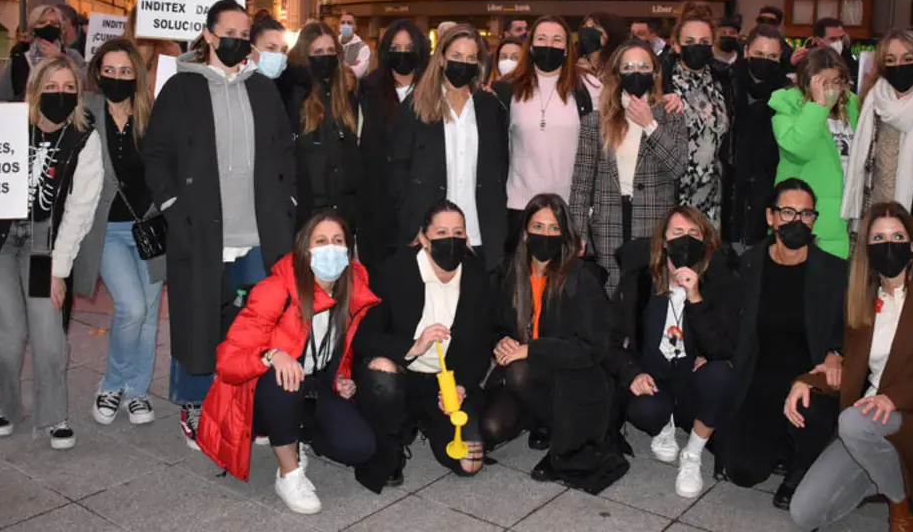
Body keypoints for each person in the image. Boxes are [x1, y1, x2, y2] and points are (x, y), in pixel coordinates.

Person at [142, 0, 297, 450]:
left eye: (243, 34)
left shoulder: (262, 88)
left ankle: (251, 404)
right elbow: (157, 155)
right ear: (209, 35)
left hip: (257, 234)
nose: (236, 41)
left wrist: (286, 200)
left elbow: (285, 149)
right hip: (202, 230)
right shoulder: (181, 89)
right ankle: (193, 404)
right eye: (228, 32)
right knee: (197, 319)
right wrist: (173, 204)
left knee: (256, 324)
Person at [788, 201, 913, 532]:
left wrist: (895, 398)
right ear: (867, 248)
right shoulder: (864, 296)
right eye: (878, 239)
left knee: (853, 423)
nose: (888, 245)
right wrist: (807, 381)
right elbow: (852, 366)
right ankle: (887, 472)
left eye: (897, 236)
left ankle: (901, 505)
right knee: (804, 513)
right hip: (871, 418)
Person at [0, 54, 103, 450]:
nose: (60, 95)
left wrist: (59, 269)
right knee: (4, 334)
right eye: (51, 88)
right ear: (34, 90)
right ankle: (5, 402)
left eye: (69, 88)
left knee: (48, 330)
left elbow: (81, 209)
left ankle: (53, 414)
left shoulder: (85, 136)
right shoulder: (3, 124)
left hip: (41, 243)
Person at [196, 210, 379, 515]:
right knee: (286, 378)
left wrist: (341, 376)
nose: (330, 249)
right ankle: (288, 473)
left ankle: (297, 436)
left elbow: (339, 348)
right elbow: (227, 362)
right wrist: (271, 355)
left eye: (338, 241)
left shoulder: (353, 287)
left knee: (360, 447)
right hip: (265, 392)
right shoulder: (276, 289)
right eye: (321, 241)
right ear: (305, 248)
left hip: (316, 385)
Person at [480, 193, 627, 493]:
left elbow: (591, 347)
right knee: (491, 428)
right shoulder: (508, 274)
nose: (544, 235)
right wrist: (501, 342)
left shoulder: (581, 279)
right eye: (538, 227)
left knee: (518, 372)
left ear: (564, 235)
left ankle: (559, 429)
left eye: (553, 229)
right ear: (524, 234)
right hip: (528, 374)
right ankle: (540, 418)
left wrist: (531, 349)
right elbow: (493, 325)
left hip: (575, 376)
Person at [716, 179, 846, 509]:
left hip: (808, 378)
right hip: (760, 376)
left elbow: (853, 327)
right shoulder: (747, 266)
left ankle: (800, 467)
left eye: (805, 214)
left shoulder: (835, 272)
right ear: (771, 217)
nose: (796, 222)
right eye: (787, 212)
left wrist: (836, 354)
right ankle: (781, 443)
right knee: (742, 472)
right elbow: (728, 324)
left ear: (814, 220)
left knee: (811, 415)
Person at [352, 201, 490, 490]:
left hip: (444, 383)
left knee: (470, 463)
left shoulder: (476, 274)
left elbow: (480, 344)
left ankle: (426, 421)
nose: (450, 240)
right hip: (402, 374)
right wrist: (414, 346)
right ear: (424, 239)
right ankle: (391, 442)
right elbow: (364, 338)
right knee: (381, 373)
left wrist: (462, 385)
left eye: (458, 232)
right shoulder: (395, 270)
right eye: (441, 232)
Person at [608, 205, 739, 499]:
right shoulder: (639, 283)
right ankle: (665, 425)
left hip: (694, 382)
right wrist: (633, 373)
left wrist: (695, 298)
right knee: (644, 409)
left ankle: (692, 453)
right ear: (663, 241)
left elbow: (724, 348)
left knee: (720, 375)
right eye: (678, 233)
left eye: (694, 233)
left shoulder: (718, 283)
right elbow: (609, 341)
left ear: (706, 242)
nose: (685, 240)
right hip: (655, 377)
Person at [75, 38, 167, 427]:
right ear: (97, 72)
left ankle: (137, 391)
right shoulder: (85, 112)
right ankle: (112, 383)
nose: (117, 78)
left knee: (147, 318)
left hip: (149, 227)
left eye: (126, 71)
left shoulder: (153, 114)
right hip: (108, 231)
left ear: (138, 75)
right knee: (132, 308)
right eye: (109, 71)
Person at [569, 39, 687, 294]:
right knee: (610, 298)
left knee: (648, 297)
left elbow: (678, 167)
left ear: (655, 72)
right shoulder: (595, 121)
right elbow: (581, 183)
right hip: (607, 221)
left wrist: (649, 125)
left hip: (653, 222)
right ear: (617, 73)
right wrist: (578, 232)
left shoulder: (670, 115)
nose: (636, 73)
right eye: (629, 66)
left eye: (644, 66)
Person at [388, 24, 509, 271]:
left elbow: (501, 165)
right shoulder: (416, 106)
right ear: (442, 59)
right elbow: (397, 170)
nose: (463, 64)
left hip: (479, 233)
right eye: (456, 56)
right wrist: (412, 226)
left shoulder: (489, 107)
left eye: (471, 58)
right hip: (431, 234)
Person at [493, 17, 597, 254]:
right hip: (518, 207)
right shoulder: (506, 89)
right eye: (542, 38)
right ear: (530, 46)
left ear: (567, 49)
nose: (549, 45)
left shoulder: (586, 88)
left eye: (557, 39)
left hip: (567, 209)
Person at [840, 27, 913, 224]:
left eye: (907, 59)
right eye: (890, 60)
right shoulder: (870, 103)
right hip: (872, 216)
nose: (898, 66)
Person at [769, 46, 859, 258]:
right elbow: (798, 149)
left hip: (845, 217)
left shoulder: (852, 105)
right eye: (822, 82)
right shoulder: (787, 104)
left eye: (836, 82)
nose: (830, 89)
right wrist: (818, 106)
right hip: (804, 218)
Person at [357, 19, 430, 269]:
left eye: (408, 47)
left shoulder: (433, 92)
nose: (402, 54)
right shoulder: (367, 91)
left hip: (420, 210)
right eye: (395, 47)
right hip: (377, 211)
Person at [286, 22, 363, 233]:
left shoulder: (348, 96)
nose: (325, 56)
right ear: (305, 55)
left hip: (344, 214)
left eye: (330, 51)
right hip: (307, 214)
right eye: (318, 51)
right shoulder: (295, 96)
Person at [666, 2, 730, 229]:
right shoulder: (665, 85)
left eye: (704, 42)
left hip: (712, 197)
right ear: (676, 45)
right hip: (673, 197)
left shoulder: (721, 83)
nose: (698, 48)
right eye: (690, 42)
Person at [725, 25, 789, 248]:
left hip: (768, 185)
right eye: (759, 54)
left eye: (772, 56)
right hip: (727, 185)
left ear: (781, 57)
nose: (765, 61)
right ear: (746, 52)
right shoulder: (726, 84)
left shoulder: (788, 94)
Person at [0, 5, 88, 102]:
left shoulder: (73, 55)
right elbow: (0, 98)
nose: (48, 26)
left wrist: (61, 58)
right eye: (42, 23)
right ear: (33, 27)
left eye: (54, 23)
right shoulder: (19, 62)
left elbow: (87, 84)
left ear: (60, 28)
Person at [577, 12, 628, 79]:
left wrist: (592, 76)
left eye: (594, 26)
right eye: (585, 26)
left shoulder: (620, 65)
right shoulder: (577, 63)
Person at [338, 12, 372, 78]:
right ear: (339, 26)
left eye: (349, 23)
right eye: (343, 23)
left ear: (356, 27)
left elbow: (358, 72)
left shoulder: (363, 48)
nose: (345, 25)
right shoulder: (333, 43)